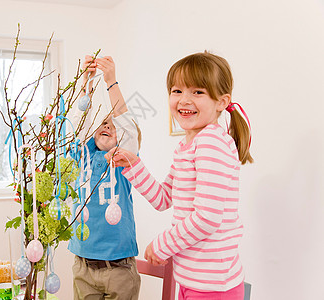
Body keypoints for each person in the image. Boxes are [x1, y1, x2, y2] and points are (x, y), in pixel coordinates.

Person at [105, 52, 253, 299]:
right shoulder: (188, 146)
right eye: (177, 91)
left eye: (197, 92)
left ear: (221, 101)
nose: (185, 100)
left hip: (213, 287)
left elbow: (206, 217)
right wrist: (132, 164)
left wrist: (163, 245)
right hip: (193, 280)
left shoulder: (211, 143)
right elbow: (163, 198)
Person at [68, 55, 141, 300]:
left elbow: (128, 127)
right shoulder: (82, 155)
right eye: (102, 122)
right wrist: (86, 84)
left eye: (113, 124)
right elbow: (79, 123)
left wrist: (111, 81)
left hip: (118, 269)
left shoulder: (122, 160)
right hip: (83, 266)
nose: (107, 125)